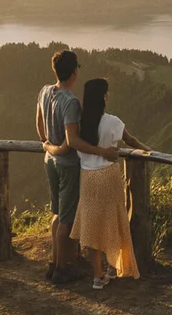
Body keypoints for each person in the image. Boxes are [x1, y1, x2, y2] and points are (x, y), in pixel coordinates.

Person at [44, 78, 150, 289]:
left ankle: (97, 276)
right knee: (112, 223)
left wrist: (48, 146)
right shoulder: (113, 122)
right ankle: (112, 267)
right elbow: (131, 140)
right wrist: (148, 149)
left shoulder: (80, 123)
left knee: (93, 226)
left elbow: (70, 142)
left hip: (88, 178)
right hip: (109, 175)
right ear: (103, 96)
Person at [36, 50, 119, 284]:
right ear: (74, 72)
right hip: (68, 165)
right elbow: (72, 140)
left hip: (50, 162)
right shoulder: (71, 101)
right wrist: (102, 152)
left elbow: (39, 121)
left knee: (57, 214)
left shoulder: (45, 92)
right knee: (67, 219)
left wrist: (46, 144)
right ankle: (63, 269)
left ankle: (55, 263)